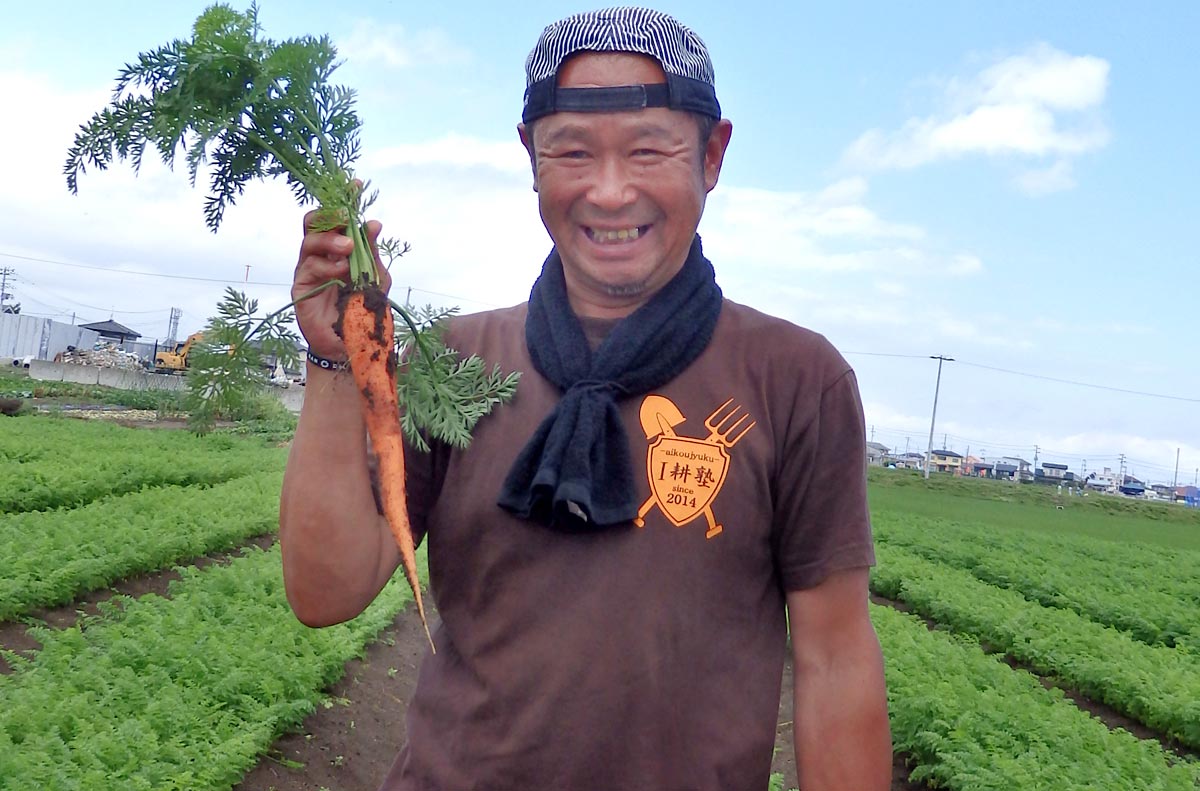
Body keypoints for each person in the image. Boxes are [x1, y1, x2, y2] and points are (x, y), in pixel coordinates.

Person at [280, 7, 892, 790]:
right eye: (571, 151)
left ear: (711, 154)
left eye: (648, 150)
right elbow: (325, 592)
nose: (610, 192)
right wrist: (337, 362)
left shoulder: (796, 378)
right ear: (530, 157)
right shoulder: (456, 362)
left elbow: (835, 657)